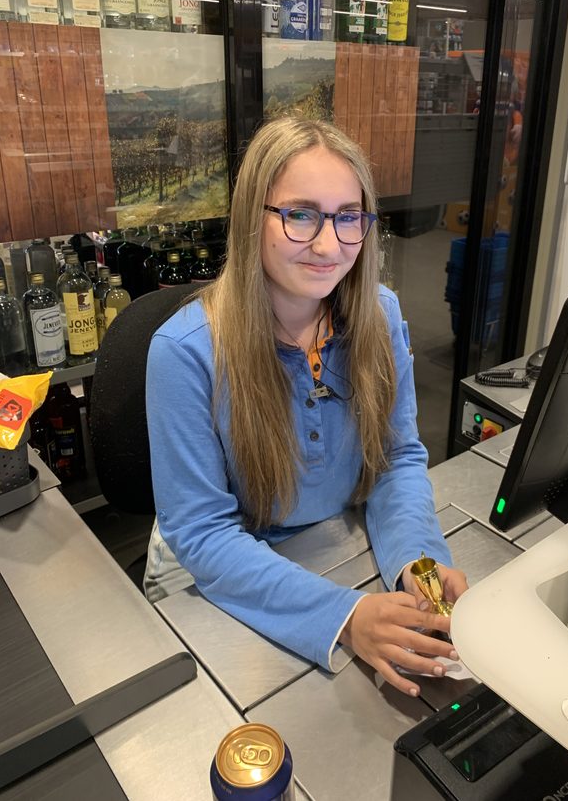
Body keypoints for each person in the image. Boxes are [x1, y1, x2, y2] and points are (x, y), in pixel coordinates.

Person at [145, 116, 468, 696]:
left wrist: (419, 570)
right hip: (221, 573)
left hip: (336, 544)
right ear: (252, 219)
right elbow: (203, 533)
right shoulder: (182, 353)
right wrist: (346, 617)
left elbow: (395, 460)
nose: (329, 245)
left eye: (349, 217)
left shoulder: (381, 313)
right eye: (300, 215)